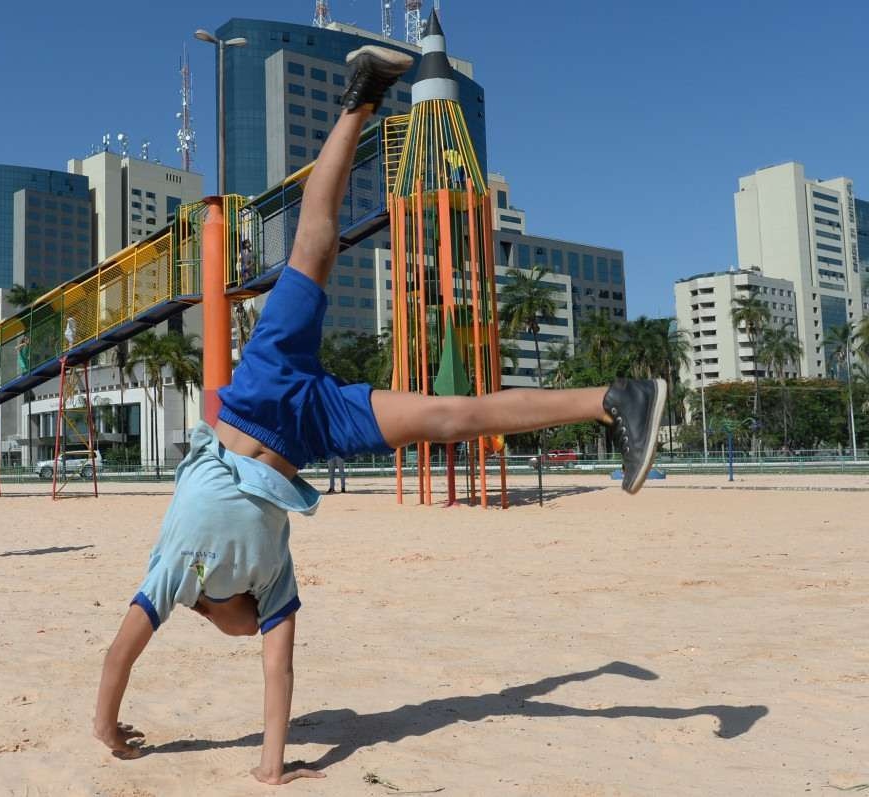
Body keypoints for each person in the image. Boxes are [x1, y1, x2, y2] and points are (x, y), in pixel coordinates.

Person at [93, 45, 667, 785]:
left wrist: (106, 729)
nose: (251, 633)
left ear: (209, 612)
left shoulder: (178, 573)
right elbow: (280, 669)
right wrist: (271, 767)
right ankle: (612, 400)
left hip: (261, 397)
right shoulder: (270, 583)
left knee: (314, 245)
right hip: (311, 427)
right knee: (451, 416)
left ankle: (359, 97)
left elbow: (118, 653)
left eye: (235, 628)